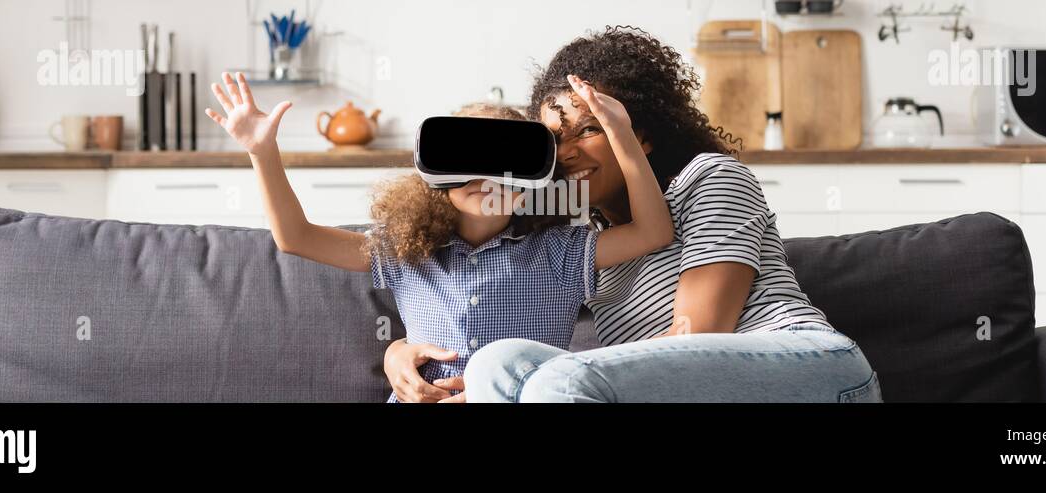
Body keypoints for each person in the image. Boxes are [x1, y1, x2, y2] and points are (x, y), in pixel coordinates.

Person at [384, 26, 883, 403]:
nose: (569, 153)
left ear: (638, 137)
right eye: (555, 140)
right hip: (686, 391)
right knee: (497, 362)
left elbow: (698, 334)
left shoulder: (709, 178)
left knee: (553, 379)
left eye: (589, 128)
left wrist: (566, 381)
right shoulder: (576, 234)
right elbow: (489, 303)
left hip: (815, 373)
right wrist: (402, 351)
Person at [205, 71, 675, 403]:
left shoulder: (561, 253)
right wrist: (263, 151)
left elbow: (654, 232)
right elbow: (296, 237)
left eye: (506, 162)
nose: (487, 177)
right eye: (467, 157)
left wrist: (620, 134)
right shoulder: (407, 251)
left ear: (537, 178)